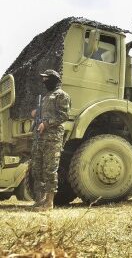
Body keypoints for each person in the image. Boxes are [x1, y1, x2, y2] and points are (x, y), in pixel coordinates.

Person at [30, 69, 70, 211]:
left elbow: (64, 115)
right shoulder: (46, 96)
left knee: (50, 169)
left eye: (46, 78)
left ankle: (49, 203)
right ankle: (40, 200)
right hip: (40, 138)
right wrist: (36, 113)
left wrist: (46, 124)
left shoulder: (62, 95)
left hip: (52, 138)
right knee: (37, 169)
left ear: (54, 79)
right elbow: (43, 114)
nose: (44, 81)